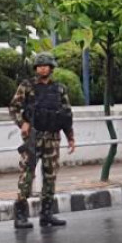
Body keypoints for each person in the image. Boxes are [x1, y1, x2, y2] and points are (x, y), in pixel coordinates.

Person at [9, 52, 76, 230]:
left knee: (50, 176)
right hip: (33, 136)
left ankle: (46, 214)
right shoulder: (27, 86)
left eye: (46, 66)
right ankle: (20, 215)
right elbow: (14, 107)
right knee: (27, 174)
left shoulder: (59, 88)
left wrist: (70, 137)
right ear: (35, 68)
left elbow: (66, 114)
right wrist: (22, 123)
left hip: (52, 138)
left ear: (51, 68)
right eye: (39, 66)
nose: (43, 69)